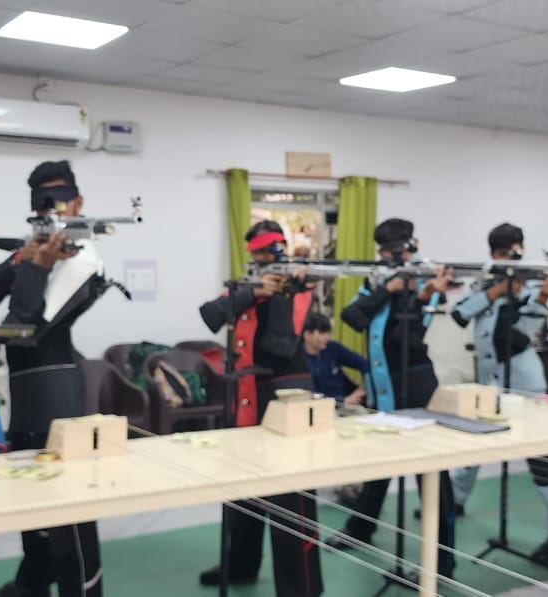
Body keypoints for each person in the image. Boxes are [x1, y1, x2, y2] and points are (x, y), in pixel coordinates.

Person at [0, 161, 112, 597]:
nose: (50, 210)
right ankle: (31, 585)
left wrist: (37, 264)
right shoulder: (37, 247)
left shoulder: (83, 261)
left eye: (58, 200)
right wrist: (26, 256)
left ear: (78, 202)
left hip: (55, 399)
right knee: (33, 514)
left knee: (70, 525)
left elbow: (22, 330)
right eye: (41, 203)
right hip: (22, 398)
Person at [325, 218, 459, 580]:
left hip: (414, 385)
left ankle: (442, 561)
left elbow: (407, 338)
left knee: (433, 475)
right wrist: (388, 288)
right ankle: (361, 527)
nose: (391, 257)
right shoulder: (377, 282)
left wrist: (419, 295)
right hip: (382, 385)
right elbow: (352, 317)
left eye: (397, 251)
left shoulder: (427, 281)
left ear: (411, 247)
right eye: (385, 252)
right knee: (379, 461)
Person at [196, 220, 323, 596]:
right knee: (244, 487)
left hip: (286, 396)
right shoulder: (247, 286)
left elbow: (281, 344)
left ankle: (300, 588)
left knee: (291, 498)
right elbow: (210, 314)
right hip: (246, 397)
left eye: (272, 251)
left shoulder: (298, 287)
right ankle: (240, 565)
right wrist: (253, 291)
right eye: (260, 253)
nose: (266, 257)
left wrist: (282, 292)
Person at [447, 223, 548, 563]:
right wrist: (497, 291)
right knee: (472, 446)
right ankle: (455, 500)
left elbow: (517, 339)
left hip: (524, 384)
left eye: (515, 252)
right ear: (493, 255)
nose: (510, 258)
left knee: (542, 460)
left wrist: (542, 297)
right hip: (487, 383)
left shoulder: (531, 286)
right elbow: (459, 314)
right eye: (503, 254)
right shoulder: (484, 284)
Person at [301, 312, 369, 404]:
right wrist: (343, 400)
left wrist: (364, 388)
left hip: (347, 403)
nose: (327, 337)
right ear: (307, 335)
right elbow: (308, 395)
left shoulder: (332, 348)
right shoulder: (298, 360)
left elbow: (363, 363)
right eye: (322, 333)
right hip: (321, 406)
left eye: (328, 333)